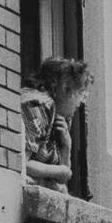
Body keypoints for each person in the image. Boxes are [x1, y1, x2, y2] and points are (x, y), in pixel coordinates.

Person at [21, 57, 92, 192]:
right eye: (81, 93)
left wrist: (66, 146)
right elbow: (22, 163)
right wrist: (61, 171)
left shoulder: (58, 118)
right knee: (60, 191)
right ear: (65, 88)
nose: (81, 102)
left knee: (61, 189)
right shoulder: (39, 105)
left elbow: (63, 179)